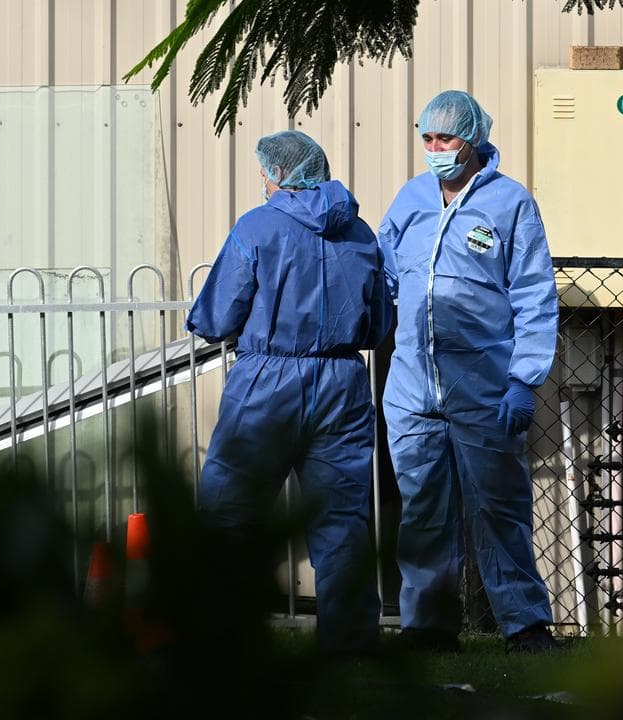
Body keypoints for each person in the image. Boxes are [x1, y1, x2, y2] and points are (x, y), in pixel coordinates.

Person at [186, 130, 393, 655]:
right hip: (343, 382)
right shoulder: (361, 234)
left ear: (278, 174)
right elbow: (378, 324)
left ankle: (220, 635)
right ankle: (350, 647)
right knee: (342, 518)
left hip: (267, 382)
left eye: (264, 171)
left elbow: (216, 316)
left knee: (230, 509)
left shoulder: (257, 227)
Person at [378, 90, 560, 653]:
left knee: (499, 508)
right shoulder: (411, 198)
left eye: (446, 139)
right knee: (424, 512)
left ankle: (525, 626)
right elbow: (384, 275)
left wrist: (524, 378)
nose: (435, 150)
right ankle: (429, 628)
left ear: (474, 139)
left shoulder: (510, 204)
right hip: (412, 385)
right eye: (427, 139)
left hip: (484, 385)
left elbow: (533, 294)